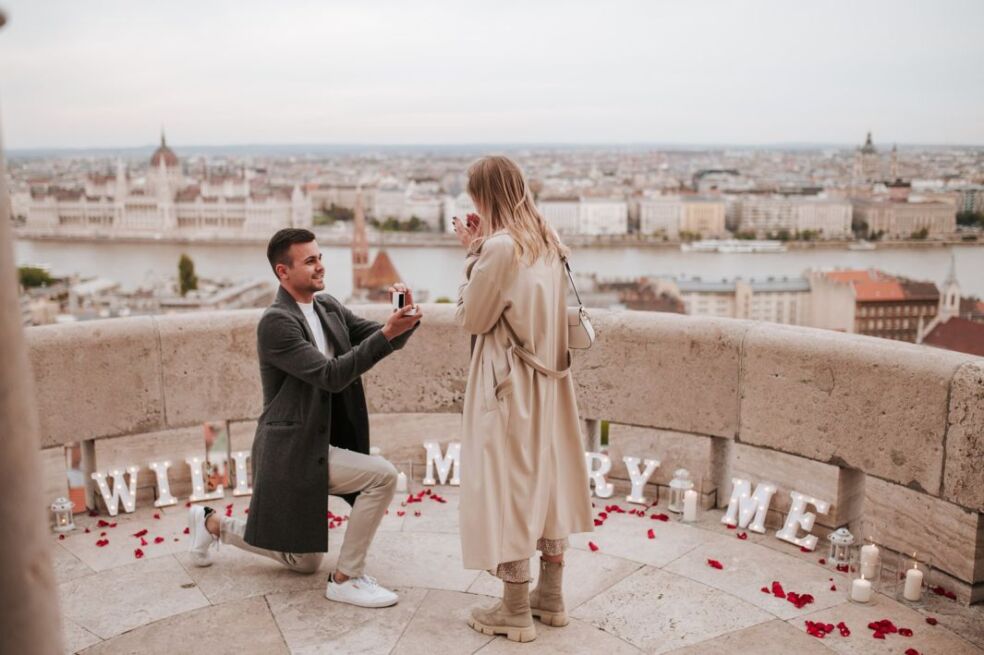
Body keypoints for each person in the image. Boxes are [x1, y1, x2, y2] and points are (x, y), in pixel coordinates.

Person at [186, 228, 422, 608]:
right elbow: (331, 374)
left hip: (321, 441)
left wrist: (403, 322)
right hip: (291, 451)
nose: (320, 266)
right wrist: (388, 334)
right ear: (283, 272)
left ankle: (213, 524)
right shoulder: (276, 322)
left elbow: (378, 337)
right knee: (382, 475)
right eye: (309, 261)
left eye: (320, 257)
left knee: (303, 560)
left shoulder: (328, 307)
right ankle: (346, 579)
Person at [452, 156, 593, 642]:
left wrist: (471, 252)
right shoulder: (547, 239)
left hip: (507, 382)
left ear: (484, 197)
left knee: (508, 486)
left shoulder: (500, 248)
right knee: (547, 482)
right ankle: (550, 596)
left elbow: (473, 317)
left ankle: (514, 609)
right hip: (549, 380)